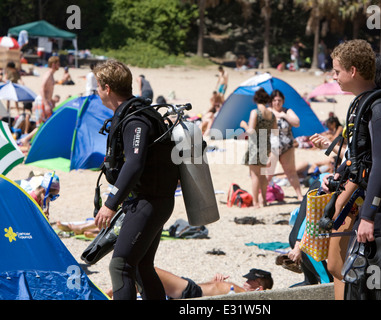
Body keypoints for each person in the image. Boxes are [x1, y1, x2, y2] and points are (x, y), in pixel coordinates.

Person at [322, 39, 381, 299]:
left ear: (353, 71)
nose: (334, 77)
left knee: (372, 284)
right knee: (362, 280)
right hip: (376, 204)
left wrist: (367, 216)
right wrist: (339, 174)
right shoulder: (363, 104)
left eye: (337, 71)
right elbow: (360, 155)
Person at [93, 59, 179, 300]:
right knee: (141, 266)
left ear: (107, 88)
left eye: (98, 87)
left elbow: (134, 163)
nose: (97, 93)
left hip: (149, 203)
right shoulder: (137, 111)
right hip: (153, 201)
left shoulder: (135, 119)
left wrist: (110, 204)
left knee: (120, 266)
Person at [240, 88, 276, 208]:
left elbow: (250, 131)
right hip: (266, 145)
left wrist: (244, 125)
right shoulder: (272, 114)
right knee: (262, 175)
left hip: (256, 145)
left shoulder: (255, 112)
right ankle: (264, 200)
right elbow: (275, 131)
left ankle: (255, 202)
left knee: (254, 175)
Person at [267, 89, 303, 202]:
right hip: (271, 147)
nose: (277, 102)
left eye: (279, 100)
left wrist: (284, 115)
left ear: (283, 101)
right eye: (274, 100)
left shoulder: (287, 111)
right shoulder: (267, 111)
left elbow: (297, 122)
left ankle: (299, 195)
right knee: (268, 173)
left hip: (287, 146)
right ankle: (262, 197)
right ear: (271, 101)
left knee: (291, 172)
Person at [157, 267, 273, 299]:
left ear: (260, 288)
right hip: (191, 288)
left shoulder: (244, 296)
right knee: (145, 272)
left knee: (146, 270)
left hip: (190, 292)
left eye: (252, 280)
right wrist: (213, 283)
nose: (246, 282)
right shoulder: (238, 292)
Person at [36, 56, 59, 125]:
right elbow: (42, 88)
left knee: (47, 124)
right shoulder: (48, 75)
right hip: (42, 101)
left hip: (47, 101)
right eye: (58, 64)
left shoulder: (51, 75)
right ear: (53, 64)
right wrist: (46, 104)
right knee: (40, 126)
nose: (59, 66)